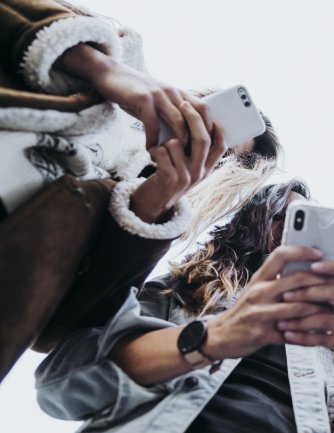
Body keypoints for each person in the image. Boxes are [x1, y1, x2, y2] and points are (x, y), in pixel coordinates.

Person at [0, 0, 279, 380]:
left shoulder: (147, 221)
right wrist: (102, 69)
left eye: (224, 153)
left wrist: (155, 201)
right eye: (211, 123)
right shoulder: (116, 55)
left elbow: (57, 334)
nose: (206, 145)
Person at [35, 179, 334, 433]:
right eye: (282, 216)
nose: (289, 234)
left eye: (304, 222)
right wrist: (214, 336)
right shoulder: (183, 290)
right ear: (252, 223)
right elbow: (60, 386)